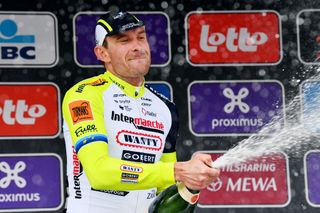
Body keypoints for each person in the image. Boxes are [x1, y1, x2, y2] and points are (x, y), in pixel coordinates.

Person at [62, 10, 220, 213]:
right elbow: (99, 173)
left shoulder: (164, 107)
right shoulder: (85, 95)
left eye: (141, 38)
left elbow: (167, 191)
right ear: (103, 53)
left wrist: (191, 183)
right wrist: (179, 171)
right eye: (124, 41)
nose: (137, 47)